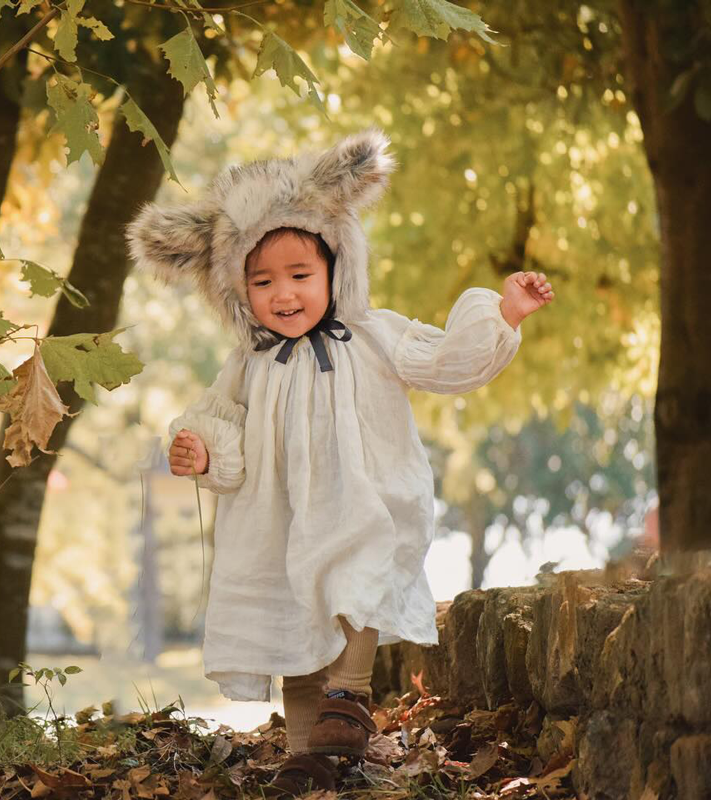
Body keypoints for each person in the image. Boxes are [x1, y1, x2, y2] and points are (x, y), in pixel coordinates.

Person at [126, 129, 554, 792]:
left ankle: (351, 694)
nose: (285, 293)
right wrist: (200, 448)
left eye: (301, 275)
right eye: (262, 281)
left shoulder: (374, 336)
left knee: (355, 580)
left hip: (359, 501)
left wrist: (503, 314)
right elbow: (220, 426)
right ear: (237, 289)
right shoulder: (248, 363)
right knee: (296, 637)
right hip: (279, 522)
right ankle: (311, 759)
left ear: (335, 267)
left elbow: (443, 362)